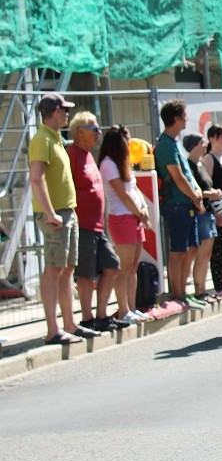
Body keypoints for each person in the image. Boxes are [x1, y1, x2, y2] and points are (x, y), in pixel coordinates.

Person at [29, 94, 97, 344]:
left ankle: (70, 323)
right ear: (55, 111)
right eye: (64, 110)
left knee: (67, 269)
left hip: (66, 211)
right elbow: (36, 179)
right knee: (54, 269)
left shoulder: (54, 138)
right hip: (56, 214)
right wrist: (49, 214)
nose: (67, 114)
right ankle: (53, 330)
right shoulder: (42, 139)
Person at [66, 111, 126, 333]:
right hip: (82, 224)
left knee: (112, 265)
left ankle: (102, 315)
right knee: (85, 273)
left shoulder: (90, 155)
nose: (99, 132)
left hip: (97, 225)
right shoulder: (71, 154)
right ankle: (88, 318)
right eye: (94, 128)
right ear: (80, 131)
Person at [153, 99, 206, 308]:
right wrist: (195, 196)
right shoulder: (165, 144)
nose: (186, 119)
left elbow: (187, 174)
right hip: (176, 204)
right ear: (175, 119)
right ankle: (177, 293)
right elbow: (177, 177)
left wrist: (197, 192)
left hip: (186, 203)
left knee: (191, 248)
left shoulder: (174, 143)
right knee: (178, 250)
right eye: (184, 115)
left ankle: (183, 291)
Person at [99, 126, 152, 324]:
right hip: (121, 219)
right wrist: (140, 213)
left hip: (135, 218)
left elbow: (134, 188)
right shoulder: (108, 164)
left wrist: (144, 208)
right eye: (126, 140)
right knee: (124, 266)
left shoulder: (123, 163)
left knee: (133, 266)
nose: (129, 145)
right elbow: (122, 194)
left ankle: (132, 307)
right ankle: (123, 309)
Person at [183, 134, 222, 304]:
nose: (206, 145)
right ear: (194, 146)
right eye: (202, 142)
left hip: (208, 212)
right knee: (201, 252)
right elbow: (191, 190)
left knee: (207, 253)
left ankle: (203, 289)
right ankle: (199, 290)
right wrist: (210, 194)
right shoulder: (188, 166)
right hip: (198, 213)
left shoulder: (201, 165)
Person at [203, 124, 222, 299]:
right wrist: (215, 212)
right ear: (213, 138)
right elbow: (208, 185)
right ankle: (220, 285)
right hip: (219, 208)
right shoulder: (209, 159)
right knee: (218, 250)